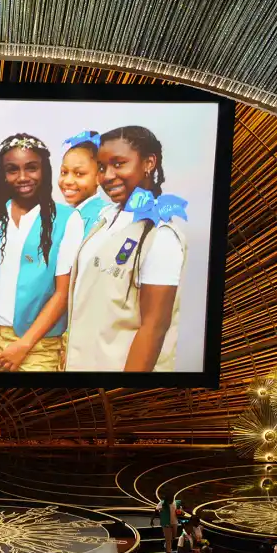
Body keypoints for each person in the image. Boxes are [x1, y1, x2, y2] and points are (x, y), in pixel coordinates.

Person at [64, 126, 187, 373]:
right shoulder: (104, 220)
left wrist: (123, 396)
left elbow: (154, 328)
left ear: (149, 163)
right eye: (101, 167)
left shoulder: (160, 235)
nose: (107, 176)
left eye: (119, 164)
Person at [0, 133, 83, 373]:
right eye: (12, 169)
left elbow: (62, 294)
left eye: (32, 168)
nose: (22, 177)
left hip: (38, 344)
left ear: (45, 171)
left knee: (34, 409)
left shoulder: (67, 220)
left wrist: (24, 344)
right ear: (2, 175)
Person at [58, 131, 110, 235]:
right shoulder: (61, 215)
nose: (67, 181)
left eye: (79, 174)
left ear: (99, 176)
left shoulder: (105, 216)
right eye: (64, 172)